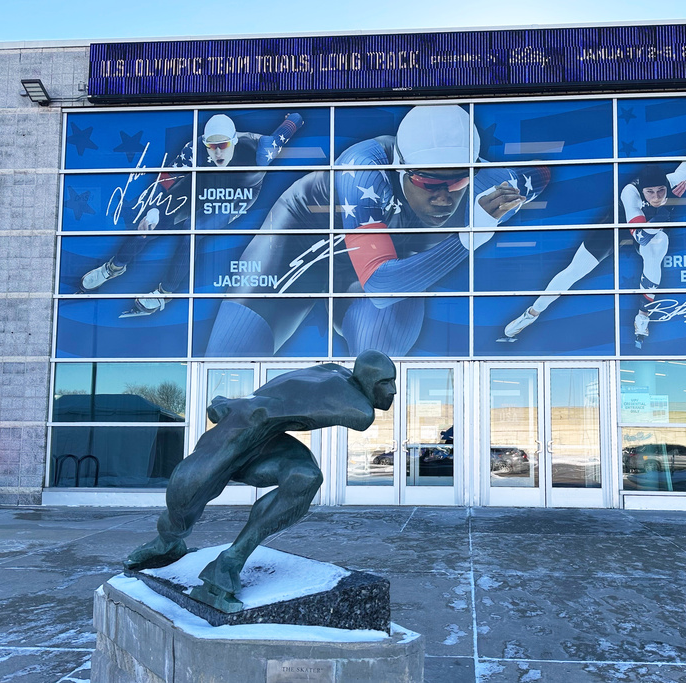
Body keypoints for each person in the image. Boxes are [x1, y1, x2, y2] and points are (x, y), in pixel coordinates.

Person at [203, 104, 548, 358]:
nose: (443, 197)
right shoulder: (364, 169)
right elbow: (381, 286)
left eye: (456, 181)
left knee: (377, 365)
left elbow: (536, 177)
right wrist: (472, 234)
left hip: (380, 268)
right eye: (428, 182)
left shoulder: (491, 187)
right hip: (298, 245)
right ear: (399, 168)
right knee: (225, 370)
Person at [125, 350, 396, 613]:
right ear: (368, 380)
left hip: (265, 439)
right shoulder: (359, 407)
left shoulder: (333, 370)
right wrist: (237, 406)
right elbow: (355, 416)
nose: (393, 391)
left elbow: (287, 392)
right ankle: (167, 543)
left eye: (393, 381)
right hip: (240, 431)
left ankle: (230, 561)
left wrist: (236, 403)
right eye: (385, 383)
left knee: (305, 477)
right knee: (184, 497)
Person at [500, 102, 686, 349]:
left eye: (660, 191)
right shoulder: (630, 194)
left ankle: (643, 316)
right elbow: (640, 234)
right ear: (642, 191)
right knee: (574, 271)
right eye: (651, 192)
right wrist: (659, 219)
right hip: (615, 227)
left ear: (667, 185)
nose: (656, 196)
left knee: (659, 245)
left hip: (649, 231)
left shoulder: (678, 178)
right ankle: (531, 314)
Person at [78, 112, 303, 317]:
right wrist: (154, 206)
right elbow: (168, 176)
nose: (217, 152)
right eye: (211, 146)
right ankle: (114, 267)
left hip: (236, 194)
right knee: (149, 223)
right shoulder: (194, 149)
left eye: (223, 145)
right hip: (201, 185)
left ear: (234, 141)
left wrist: (294, 117)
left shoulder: (261, 148)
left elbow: (286, 131)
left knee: (191, 232)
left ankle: (165, 292)